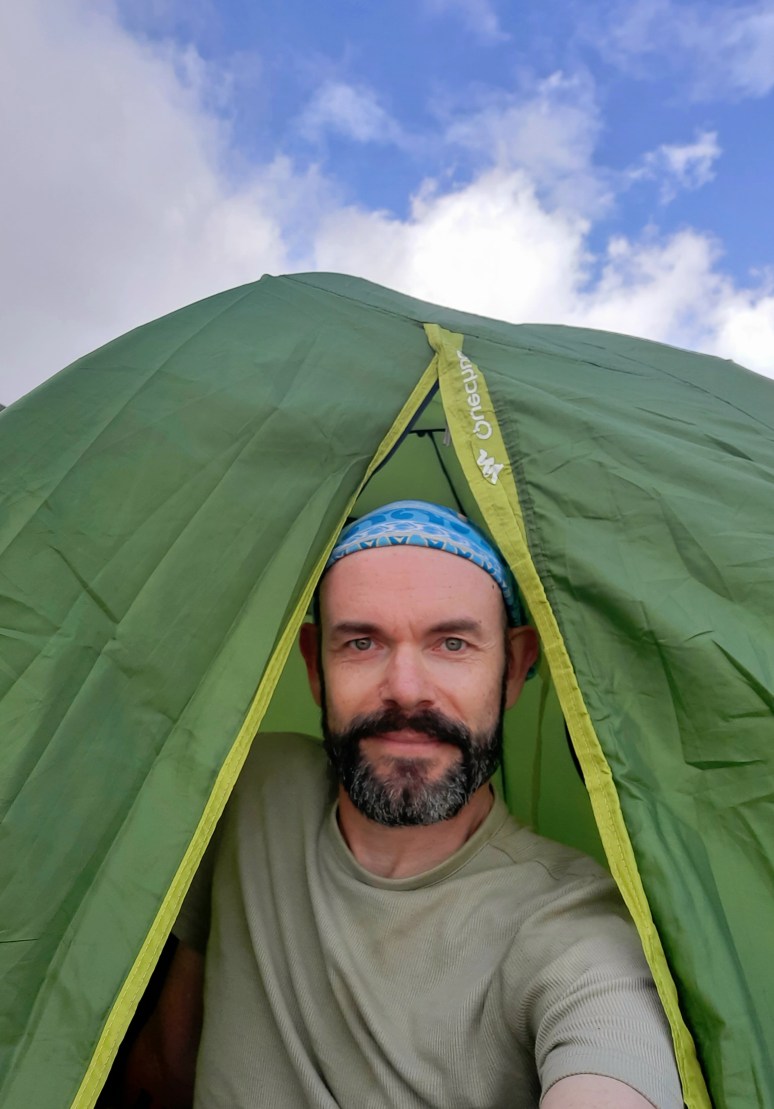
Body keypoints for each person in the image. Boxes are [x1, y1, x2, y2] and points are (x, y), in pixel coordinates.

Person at [125, 501, 683, 1108]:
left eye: (452, 643)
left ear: (516, 668)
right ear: (315, 665)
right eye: (363, 642)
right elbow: (167, 1065)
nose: (407, 689)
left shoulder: (576, 930)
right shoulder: (253, 786)